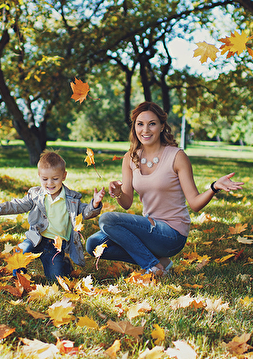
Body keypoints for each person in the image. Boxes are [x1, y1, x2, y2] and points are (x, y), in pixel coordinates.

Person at [85, 102, 243, 276]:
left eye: (152, 124)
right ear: (134, 127)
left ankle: (152, 267)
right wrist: (118, 193)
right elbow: (127, 203)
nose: (145, 130)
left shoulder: (177, 156)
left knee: (107, 219)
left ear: (161, 127)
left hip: (172, 234)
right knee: (93, 244)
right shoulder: (130, 158)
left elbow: (195, 203)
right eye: (140, 124)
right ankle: (159, 262)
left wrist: (214, 187)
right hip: (149, 229)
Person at [0, 151, 104, 281]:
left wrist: (94, 204)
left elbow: (86, 212)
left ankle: (65, 265)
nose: (50, 183)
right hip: (36, 237)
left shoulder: (72, 199)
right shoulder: (36, 195)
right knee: (21, 250)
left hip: (56, 245)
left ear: (64, 176)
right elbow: (18, 205)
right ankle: (19, 276)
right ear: (39, 176)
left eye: (55, 178)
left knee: (55, 278)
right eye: (45, 179)